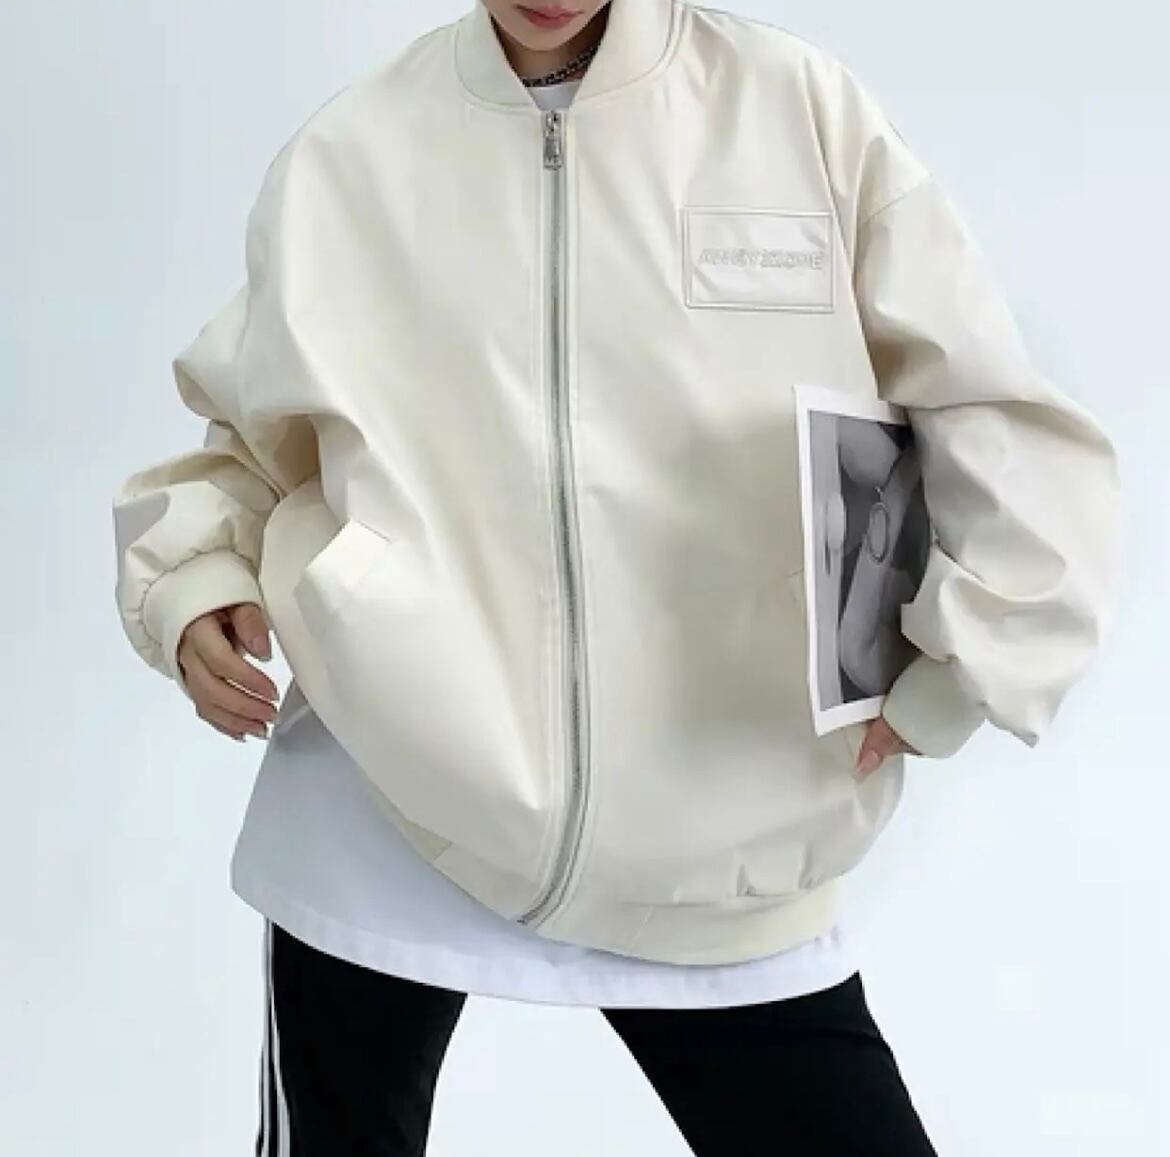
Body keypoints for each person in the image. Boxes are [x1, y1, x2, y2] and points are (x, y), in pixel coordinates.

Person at [110, 1, 1120, 1153]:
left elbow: (992, 407)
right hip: (390, 787)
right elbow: (250, 436)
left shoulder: (796, 112)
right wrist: (193, 574)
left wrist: (972, 657)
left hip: (722, 823)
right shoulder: (355, 152)